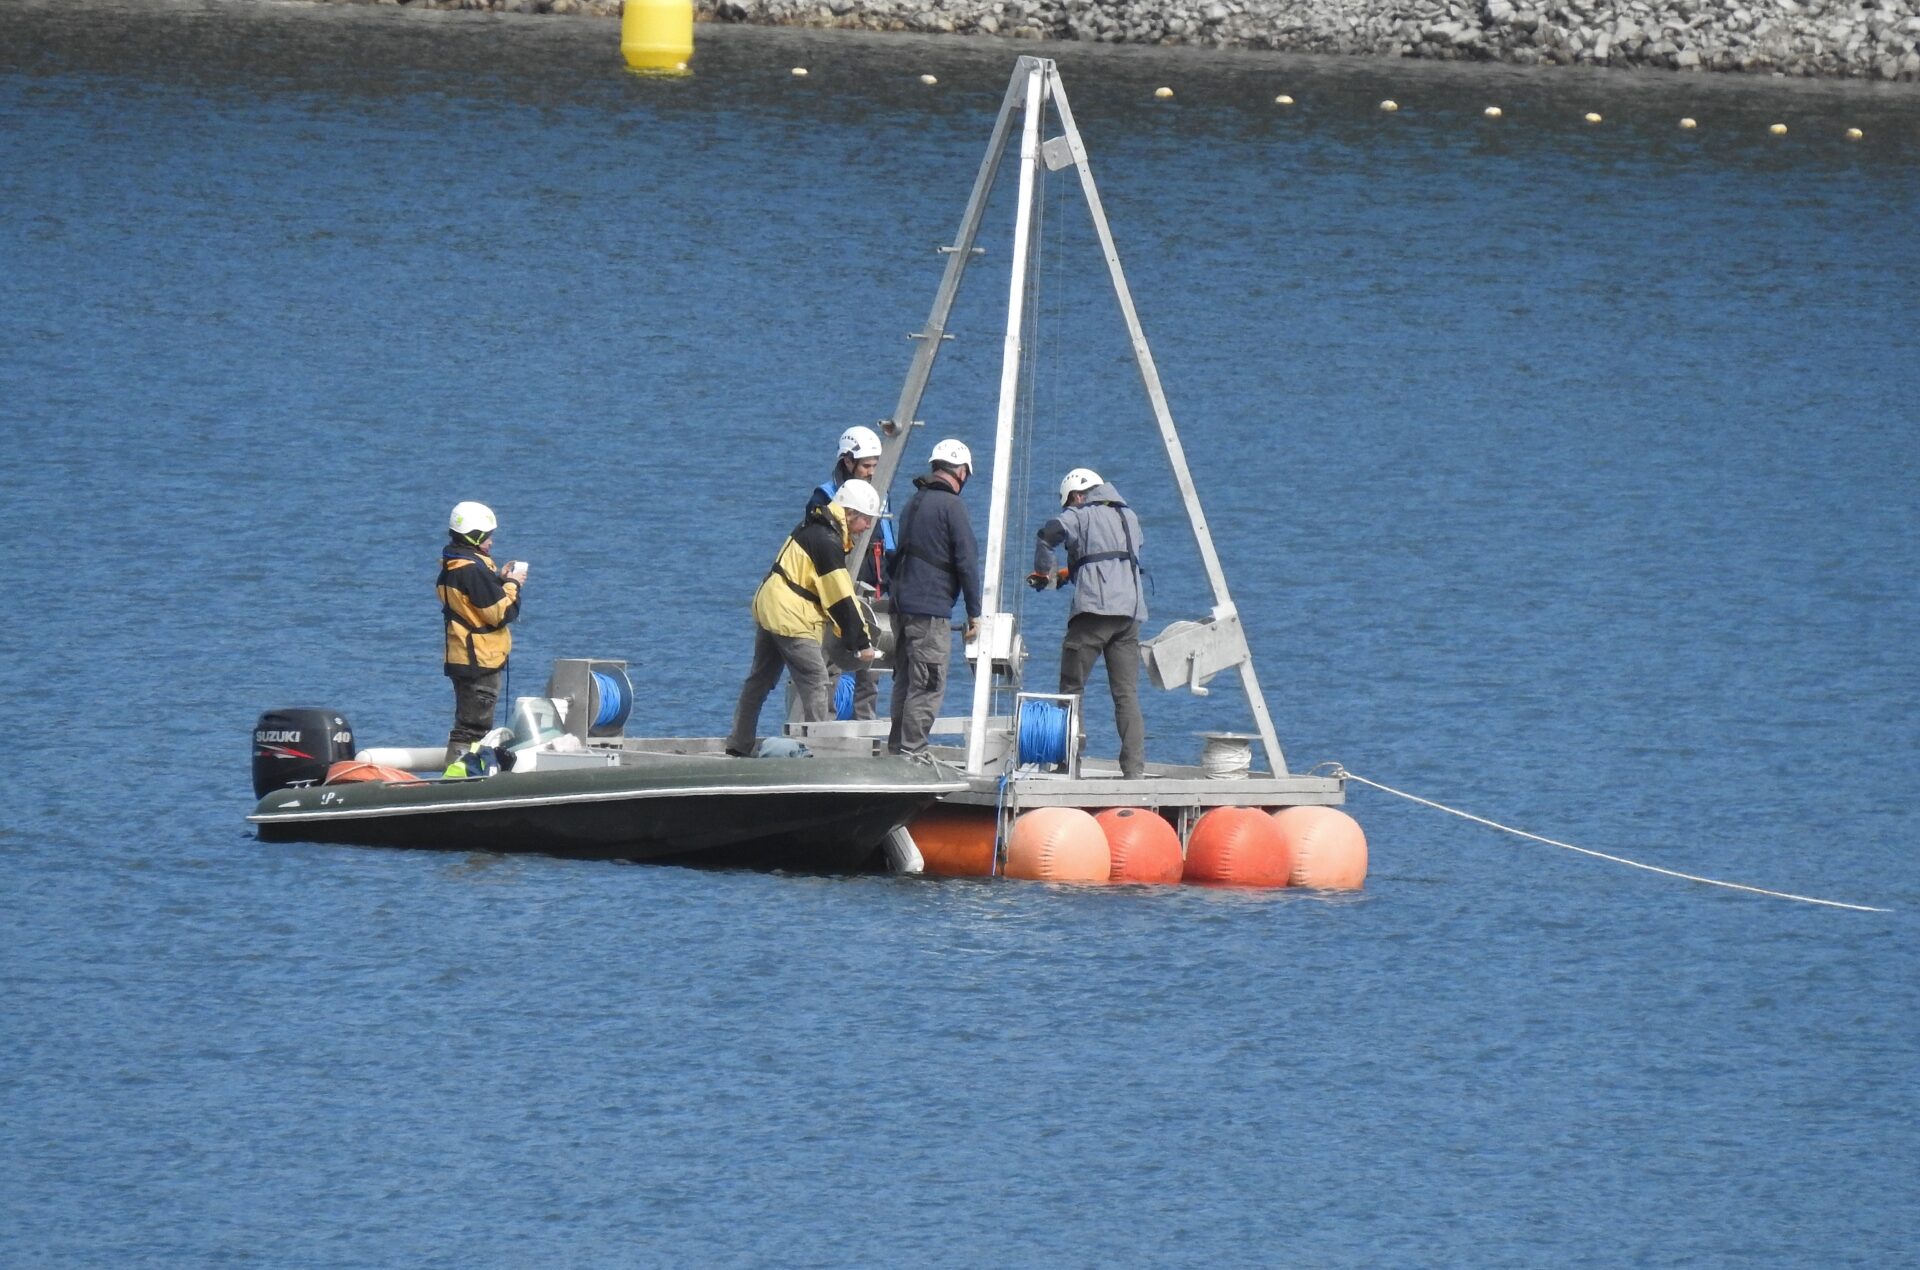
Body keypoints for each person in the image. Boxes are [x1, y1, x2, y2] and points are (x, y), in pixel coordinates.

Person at [727, 479, 882, 756]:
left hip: (769, 604)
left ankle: (738, 744)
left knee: (759, 680)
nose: (868, 526)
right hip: (789, 615)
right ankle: (821, 753)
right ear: (850, 513)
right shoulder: (828, 540)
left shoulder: (814, 526)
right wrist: (862, 643)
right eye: (866, 519)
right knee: (817, 681)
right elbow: (840, 597)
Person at [1027, 468, 1148, 779]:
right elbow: (1108, 558)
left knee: (1071, 690)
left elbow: (1049, 533)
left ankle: (1070, 764)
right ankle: (1134, 771)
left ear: (1079, 495)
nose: (1069, 508)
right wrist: (1068, 573)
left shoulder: (1081, 514)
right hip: (1129, 614)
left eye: (1070, 502)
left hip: (1093, 613)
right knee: (1126, 693)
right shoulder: (1129, 515)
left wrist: (1043, 569)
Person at [886, 439, 982, 756]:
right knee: (928, 684)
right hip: (929, 611)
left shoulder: (913, 502)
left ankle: (898, 750)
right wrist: (974, 612)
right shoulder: (952, 506)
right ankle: (913, 753)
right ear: (961, 471)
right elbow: (966, 561)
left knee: (905, 682)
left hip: (901, 608)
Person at [806, 425, 893, 720]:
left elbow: (888, 541)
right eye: (866, 466)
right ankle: (823, 728)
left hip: (873, 586)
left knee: (871, 667)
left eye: (874, 466)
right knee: (831, 662)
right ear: (848, 461)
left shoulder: (880, 495)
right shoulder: (825, 496)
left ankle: (865, 727)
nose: (871, 472)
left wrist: (891, 583)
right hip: (838, 588)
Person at [438, 501, 527, 767]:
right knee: (472, 727)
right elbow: (502, 613)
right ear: (474, 536)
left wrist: (497, 581)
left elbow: (474, 603)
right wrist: (512, 585)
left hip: (463, 656)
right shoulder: (472, 571)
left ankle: (469, 772)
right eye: (487, 536)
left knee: (469, 724)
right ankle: (460, 777)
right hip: (479, 660)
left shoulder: (454, 565)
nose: (491, 542)